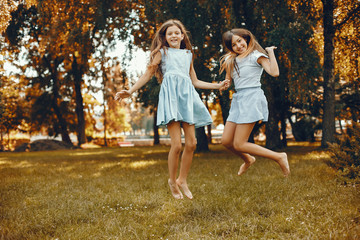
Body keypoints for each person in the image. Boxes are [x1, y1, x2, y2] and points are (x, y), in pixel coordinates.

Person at [115, 19, 229, 199]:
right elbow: (147, 74)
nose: (174, 36)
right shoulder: (162, 53)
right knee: (176, 145)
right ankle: (171, 180)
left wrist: (217, 86)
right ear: (165, 38)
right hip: (171, 100)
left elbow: (195, 81)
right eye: (170, 34)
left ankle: (182, 180)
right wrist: (129, 91)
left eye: (177, 33)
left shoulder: (188, 55)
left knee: (192, 143)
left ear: (182, 36)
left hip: (187, 99)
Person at [219, 28, 290, 177]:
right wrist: (223, 86)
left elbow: (274, 72)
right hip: (238, 99)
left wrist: (270, 52)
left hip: (252, 98)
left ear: (246, 39)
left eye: (239, 41)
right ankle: (248, 159)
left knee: (239, 143)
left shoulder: (256, 56)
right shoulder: (231, 60)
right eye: (234, 44)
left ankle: (279, 157)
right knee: (226, 141)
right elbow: (228, 81)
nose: (238, 46)